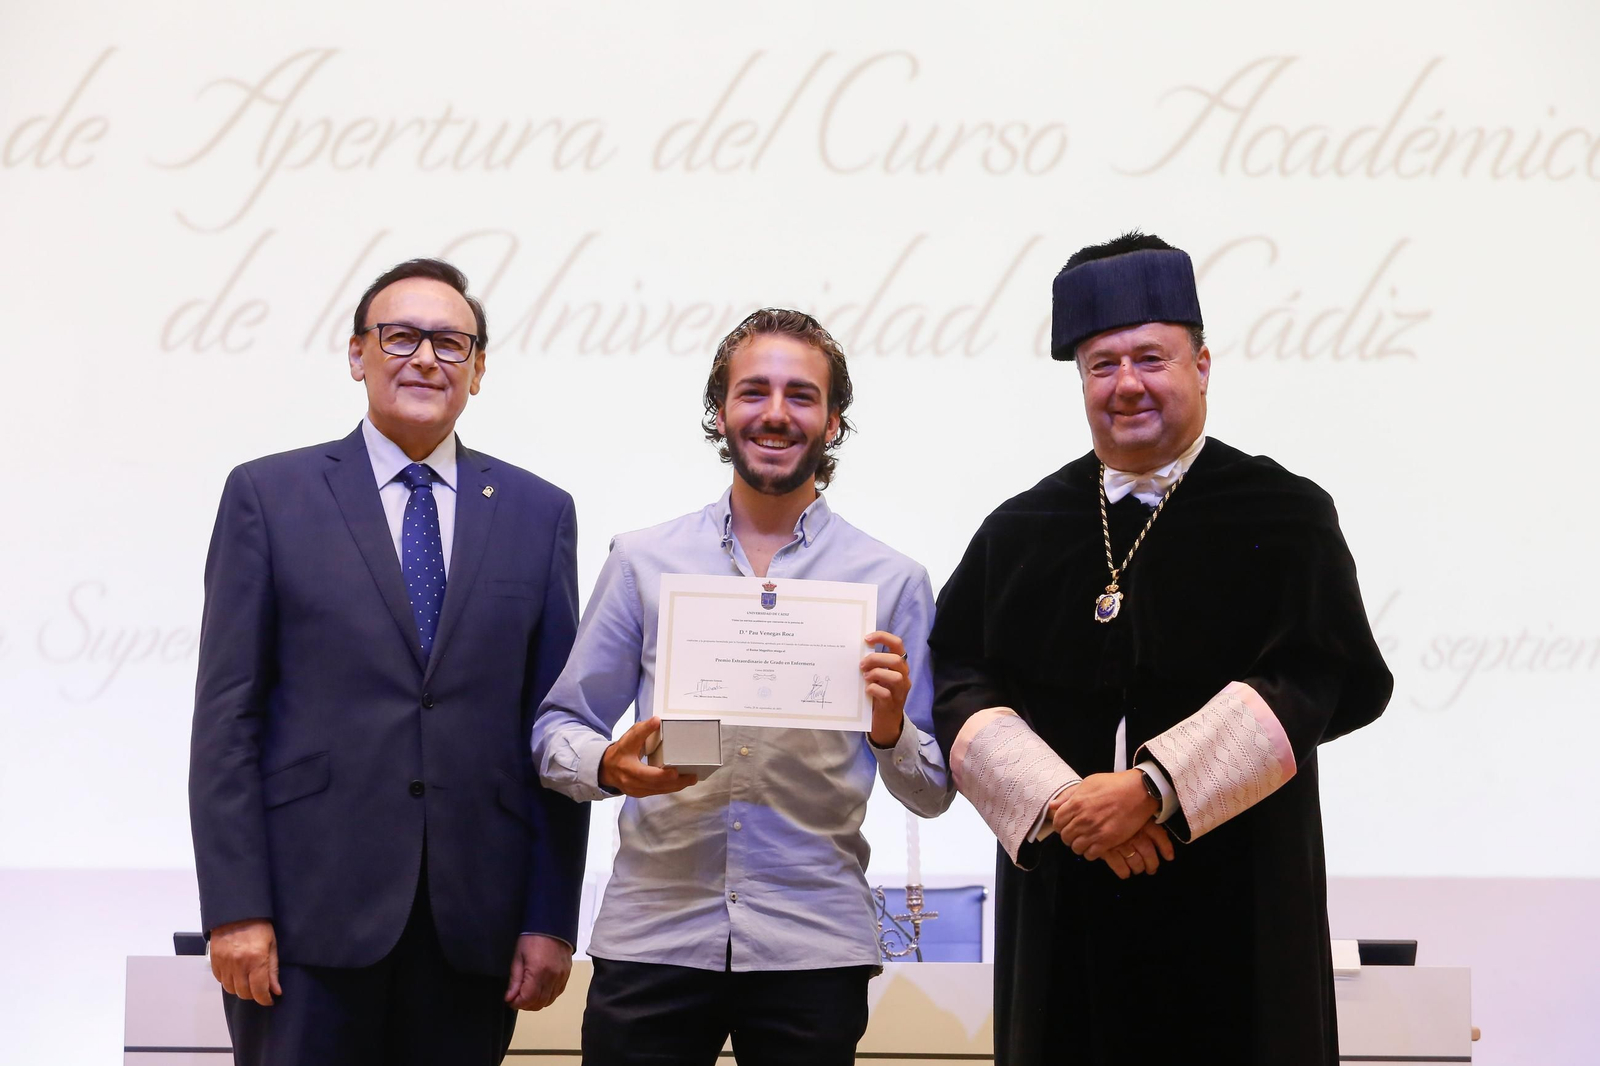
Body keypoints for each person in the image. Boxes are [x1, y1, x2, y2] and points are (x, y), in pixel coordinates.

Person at [929, 232, 1392, 1065]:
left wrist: (1153, 789)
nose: (1128, 385)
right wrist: (1060, 803)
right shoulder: (1020, 529)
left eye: (1152, 357)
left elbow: (1319, 674)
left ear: (1203, 365)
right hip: (1068, 901)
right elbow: (957, 678)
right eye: (1102, 365)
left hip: (1236, 904)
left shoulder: (1284, 516)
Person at [188, 258, 589, 1066]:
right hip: (304, 923)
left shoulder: (538, 512)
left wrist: (549, 917)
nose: (425, 358)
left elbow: (554, 728)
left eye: (451, 342)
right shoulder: (270, 495)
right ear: (356, 354)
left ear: (478, 370)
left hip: (472, 929)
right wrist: (235, 909)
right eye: (400, 336)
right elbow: (229, 718)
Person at [531, 308, 953, 1065]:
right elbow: (558, 726)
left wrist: (889, 728)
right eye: (754, 391)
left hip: (813, 943)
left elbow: (932, 791)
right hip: (654, 932)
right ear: (720, 412)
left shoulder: (892, 582)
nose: (776, 413)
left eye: (801, 395)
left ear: (834, 422)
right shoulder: (642, 560)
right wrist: (607, 767)